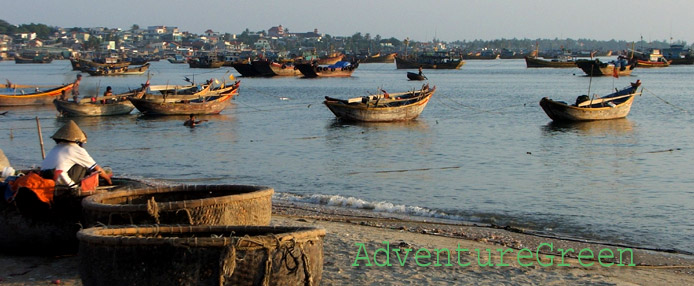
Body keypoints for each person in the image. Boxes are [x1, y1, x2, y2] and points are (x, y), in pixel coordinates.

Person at [40, 120, 112, 190]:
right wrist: (108, 180)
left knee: (85, 165)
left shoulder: (56, 148)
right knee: (84, 166)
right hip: (60, 180)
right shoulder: (75, 149)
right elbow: (97, 168)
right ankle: (76, 187)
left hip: (46, 177)